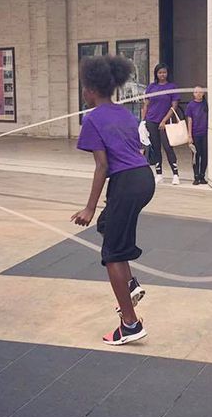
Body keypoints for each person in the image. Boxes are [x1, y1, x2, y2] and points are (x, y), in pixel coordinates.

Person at [72, 55, 155, 345]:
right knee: (108, 225)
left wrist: (89, 207)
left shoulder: (92, 118)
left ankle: (130, 324)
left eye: (84, 87)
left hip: (126, 183)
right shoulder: (125, 113)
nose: (83, 92)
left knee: (112, 254)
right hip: (144, 179)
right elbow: (137, 149)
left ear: (92, 89)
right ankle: (130, 284)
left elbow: (102, 166)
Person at [142, 63, 181, 185]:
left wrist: (164, 120)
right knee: (155, 147)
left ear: (167, 73)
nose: (162, 75)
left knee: (168, 147)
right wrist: (143, 121)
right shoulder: (151, 87)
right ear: (156, 74)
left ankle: (175, 174)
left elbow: (174, 106)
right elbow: (146, 105)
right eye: (160, 73)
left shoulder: (172, 87)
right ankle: (159, 174)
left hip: (166, 122)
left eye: (164, 72)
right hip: (151, 120)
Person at [186, 85, 208, 185]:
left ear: (203, 93)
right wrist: (189, 135)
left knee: (204, 155)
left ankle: (202, 175)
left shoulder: (206, 104)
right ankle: (196, 176)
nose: (198, 94)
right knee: (196, 155)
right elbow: (189, 120)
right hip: (195, 133)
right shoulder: (191, 105)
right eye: (196, 92)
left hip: (205, 134)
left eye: (200, 92)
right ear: (193, 94)